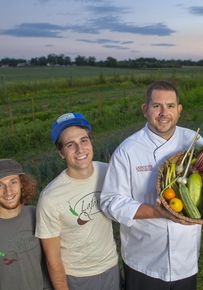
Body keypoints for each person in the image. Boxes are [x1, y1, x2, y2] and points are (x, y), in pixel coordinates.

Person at [100, 80, 203, 290]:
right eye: (157, 106)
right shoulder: (128, 150)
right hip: (144, 260)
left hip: (186, 258)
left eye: (170, 106)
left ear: (179, 110)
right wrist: (155, 211)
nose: (164, 113)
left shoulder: (194, 142)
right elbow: (110, 201)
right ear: (145, 110)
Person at [35, 112, 121, 290]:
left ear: (91, 142)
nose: (80, 149)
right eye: (70, 145)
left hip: (111, 268)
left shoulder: (108, 173)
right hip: (77, 277)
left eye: (84, 140)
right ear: (60, 153)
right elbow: (53, 258)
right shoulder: (50, 198)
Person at [0, 158, 52, 290]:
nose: (8, 191)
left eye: (13, 182)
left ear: (22, 184)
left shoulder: (38, 215)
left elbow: (50, 262)